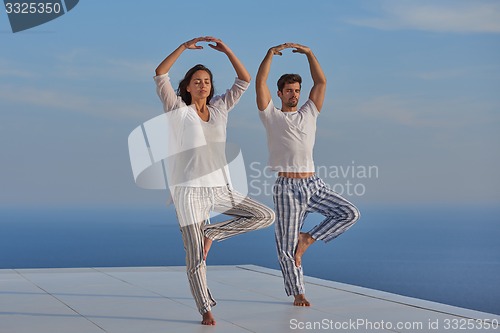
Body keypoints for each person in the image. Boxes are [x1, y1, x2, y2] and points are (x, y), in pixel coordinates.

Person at [154, 36, 275, 325]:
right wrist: (183, 47)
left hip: (221, 189)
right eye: (196, 81)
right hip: (189, 194)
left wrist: (228, 51)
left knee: (264, 215)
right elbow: (160, 74)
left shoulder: (220, 109)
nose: (203, 85)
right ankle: (206, 308)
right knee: (196, 259)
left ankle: (213, 234)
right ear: (186, 86)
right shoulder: (177, 111)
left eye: (206, 80)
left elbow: (244, 80)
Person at [256, 43, 360, 307]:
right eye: (289, 91)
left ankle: (309, 238)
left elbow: (321, 81)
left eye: (297, 91)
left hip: (313, 184)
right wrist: (269, 55)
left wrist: (310, 54)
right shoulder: (271, 116)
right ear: (279, 93)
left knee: (349, 213)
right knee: (285, 246)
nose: (294, 94)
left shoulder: (309, 112)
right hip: (286, 187)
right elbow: (261, 81)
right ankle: (298, 292)